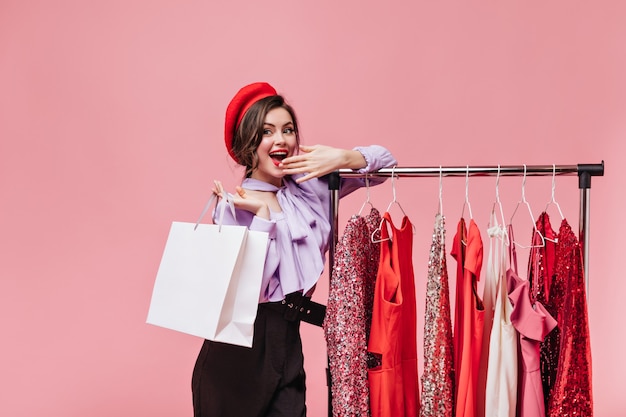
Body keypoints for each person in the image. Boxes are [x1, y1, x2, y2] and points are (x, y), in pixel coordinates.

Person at [191, 82, 397, 417]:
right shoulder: (230, 207)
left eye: (287, 130)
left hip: (288, 340)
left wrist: (345, 157)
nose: (281, 139)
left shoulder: (309, 186)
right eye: (267, 131)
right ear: (249, 144)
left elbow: (386, 164)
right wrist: (263, 218)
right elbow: (249, 291)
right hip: (236, 351)